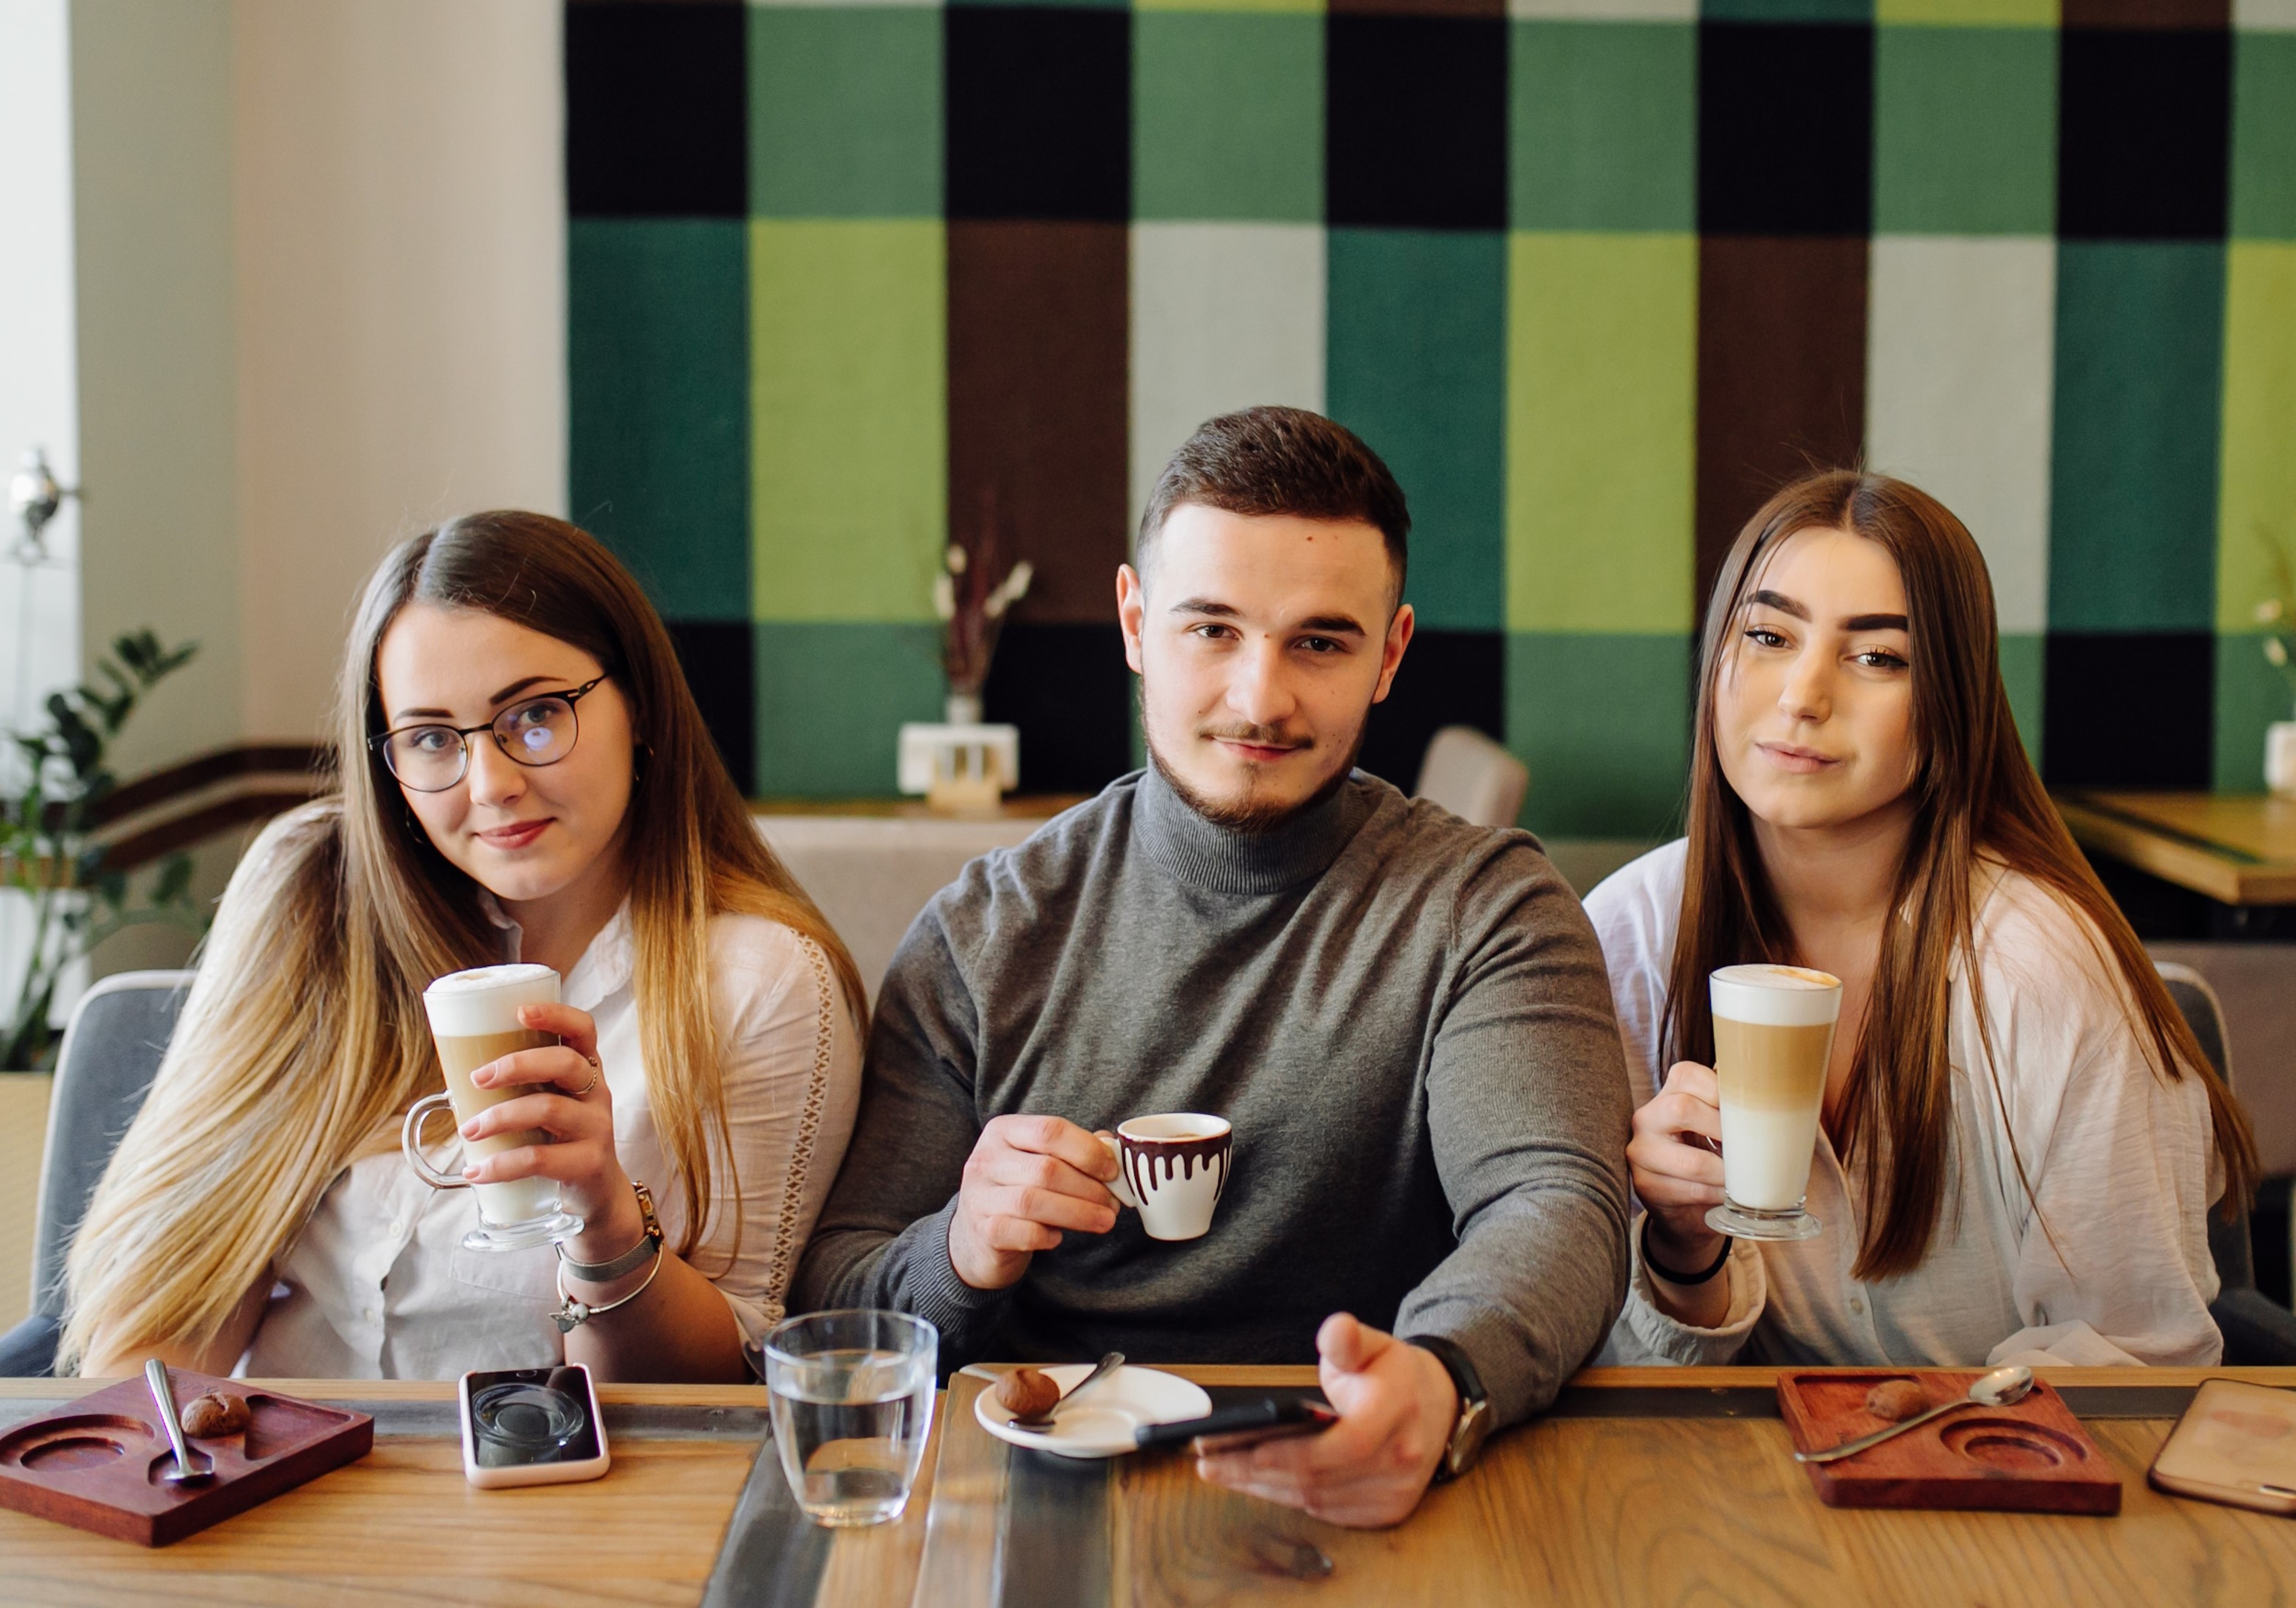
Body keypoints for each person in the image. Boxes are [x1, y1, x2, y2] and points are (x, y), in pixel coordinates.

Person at [794, 407, 1632, 1528]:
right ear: (1136, 621)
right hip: (1035, 1497)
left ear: (1389, 654)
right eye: (1212, 629)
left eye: (1319, 642)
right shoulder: (983, 933)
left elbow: (1555, 1202)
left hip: (1370, 1473)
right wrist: (958, 1245)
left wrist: (1441, 1376)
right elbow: (841, 1293)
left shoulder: (1487, 905)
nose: (1258, 697)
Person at [62, 512, 866, 1382]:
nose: (491, 785)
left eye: (535, 716)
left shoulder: (761, 981)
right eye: (434, 738)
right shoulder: (315, 896)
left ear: (639, 705)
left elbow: (716, 1394)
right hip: (279, 1479)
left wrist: (604, 1222)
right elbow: (172, 1309)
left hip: (559, 1497)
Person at [1592, 470, 2257, 1368]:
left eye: (1876, 657)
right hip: (1734, 1482)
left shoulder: (2042, 973)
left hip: (2001, 1488)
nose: (1801, 694)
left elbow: (2138, 1365)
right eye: (1767, 634)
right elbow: (1613, 1372)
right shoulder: (1624, 940)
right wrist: (1681, 1245)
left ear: (1948, 702)